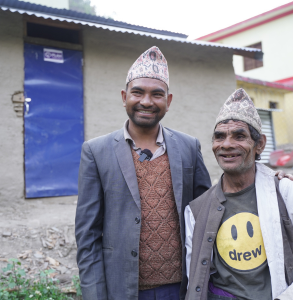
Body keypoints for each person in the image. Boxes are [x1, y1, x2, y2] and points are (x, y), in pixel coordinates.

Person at [75, 46, 212, 300]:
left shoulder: (189, 147)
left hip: (181, 289)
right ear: (124, 96)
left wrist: (270, 180)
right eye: (137, 92)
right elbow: (88, 236)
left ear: (168, 102)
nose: (146, 101)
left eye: (157, 94)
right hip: (124, 290)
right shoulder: (96, 151)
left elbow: (210, 211)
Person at [184, 88, 293, 300]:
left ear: (260, 144)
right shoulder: (197, 210)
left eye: (239, 136)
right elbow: (197, 278)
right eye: (219, 136)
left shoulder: (286, 193)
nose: (227, 144)